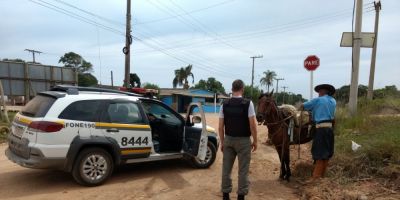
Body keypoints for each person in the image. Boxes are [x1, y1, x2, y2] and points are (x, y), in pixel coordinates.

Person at [219, 79, 258, 200]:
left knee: (226, 169)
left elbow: (220, 126)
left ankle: (226, 195)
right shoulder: (248, 103)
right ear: (242, 89)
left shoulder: (224, 104)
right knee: (243, 170)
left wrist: (222, 142)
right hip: (243, 141)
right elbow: (252, 125)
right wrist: (255, 141)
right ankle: (240, 196)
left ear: (232, 89)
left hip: (229, 140)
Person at [301, 84, 336, 181]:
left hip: (321, 129)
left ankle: (315, 178)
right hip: (330, 129)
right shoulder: (333, 101)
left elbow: (303, 106)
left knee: (320, 154)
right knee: (327, 153)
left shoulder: (318, 100)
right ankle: (322, 176)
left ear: (322, 92)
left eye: (319, 92)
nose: (318, 94)